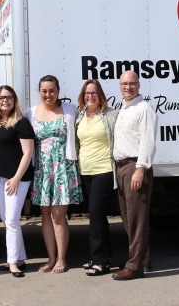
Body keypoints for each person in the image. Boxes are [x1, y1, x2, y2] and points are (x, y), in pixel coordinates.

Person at [25, 75, 82, 274]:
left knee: (59, 216)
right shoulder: (30, 113)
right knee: (46, 216)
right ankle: (50, 258)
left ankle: (62, 258)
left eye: (51, 90)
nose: (48, 94)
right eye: (44, 91)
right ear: (39, 91)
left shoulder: (70, 110)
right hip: (42, 170)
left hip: (62, 169)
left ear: (58, 90)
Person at [111, 70, 157, 281]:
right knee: (129, 219)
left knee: (137, 221)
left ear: (139, 85)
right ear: (120, 86)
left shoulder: (144, 108)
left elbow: (147, 141)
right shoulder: (124, 108)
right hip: (121, 169)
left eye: (132, 83)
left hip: (134, 167)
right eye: (124, 84)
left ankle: (135, 267)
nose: (128, 87)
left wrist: (141, 169)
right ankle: (141, 260)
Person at [0, 85, 35, 278]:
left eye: (9, 97)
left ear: (14, 100)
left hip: (17, 179)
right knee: (8, 221)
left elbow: (28, 153)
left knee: (12, 221)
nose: (5, 100)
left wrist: (16, 178)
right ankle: (20, 258)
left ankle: (12, 263)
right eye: (1, 98)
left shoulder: (21, 122)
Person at [75, 79, 118, 276]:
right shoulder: (81, 116)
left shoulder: (110, 115)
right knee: (97, 216)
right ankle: (103, 256)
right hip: (86, 171)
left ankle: (100, 261)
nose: (89, 96)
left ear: (100, 95)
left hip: (104, 170)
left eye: (93, 93)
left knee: (95, 215)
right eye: (86, 93)